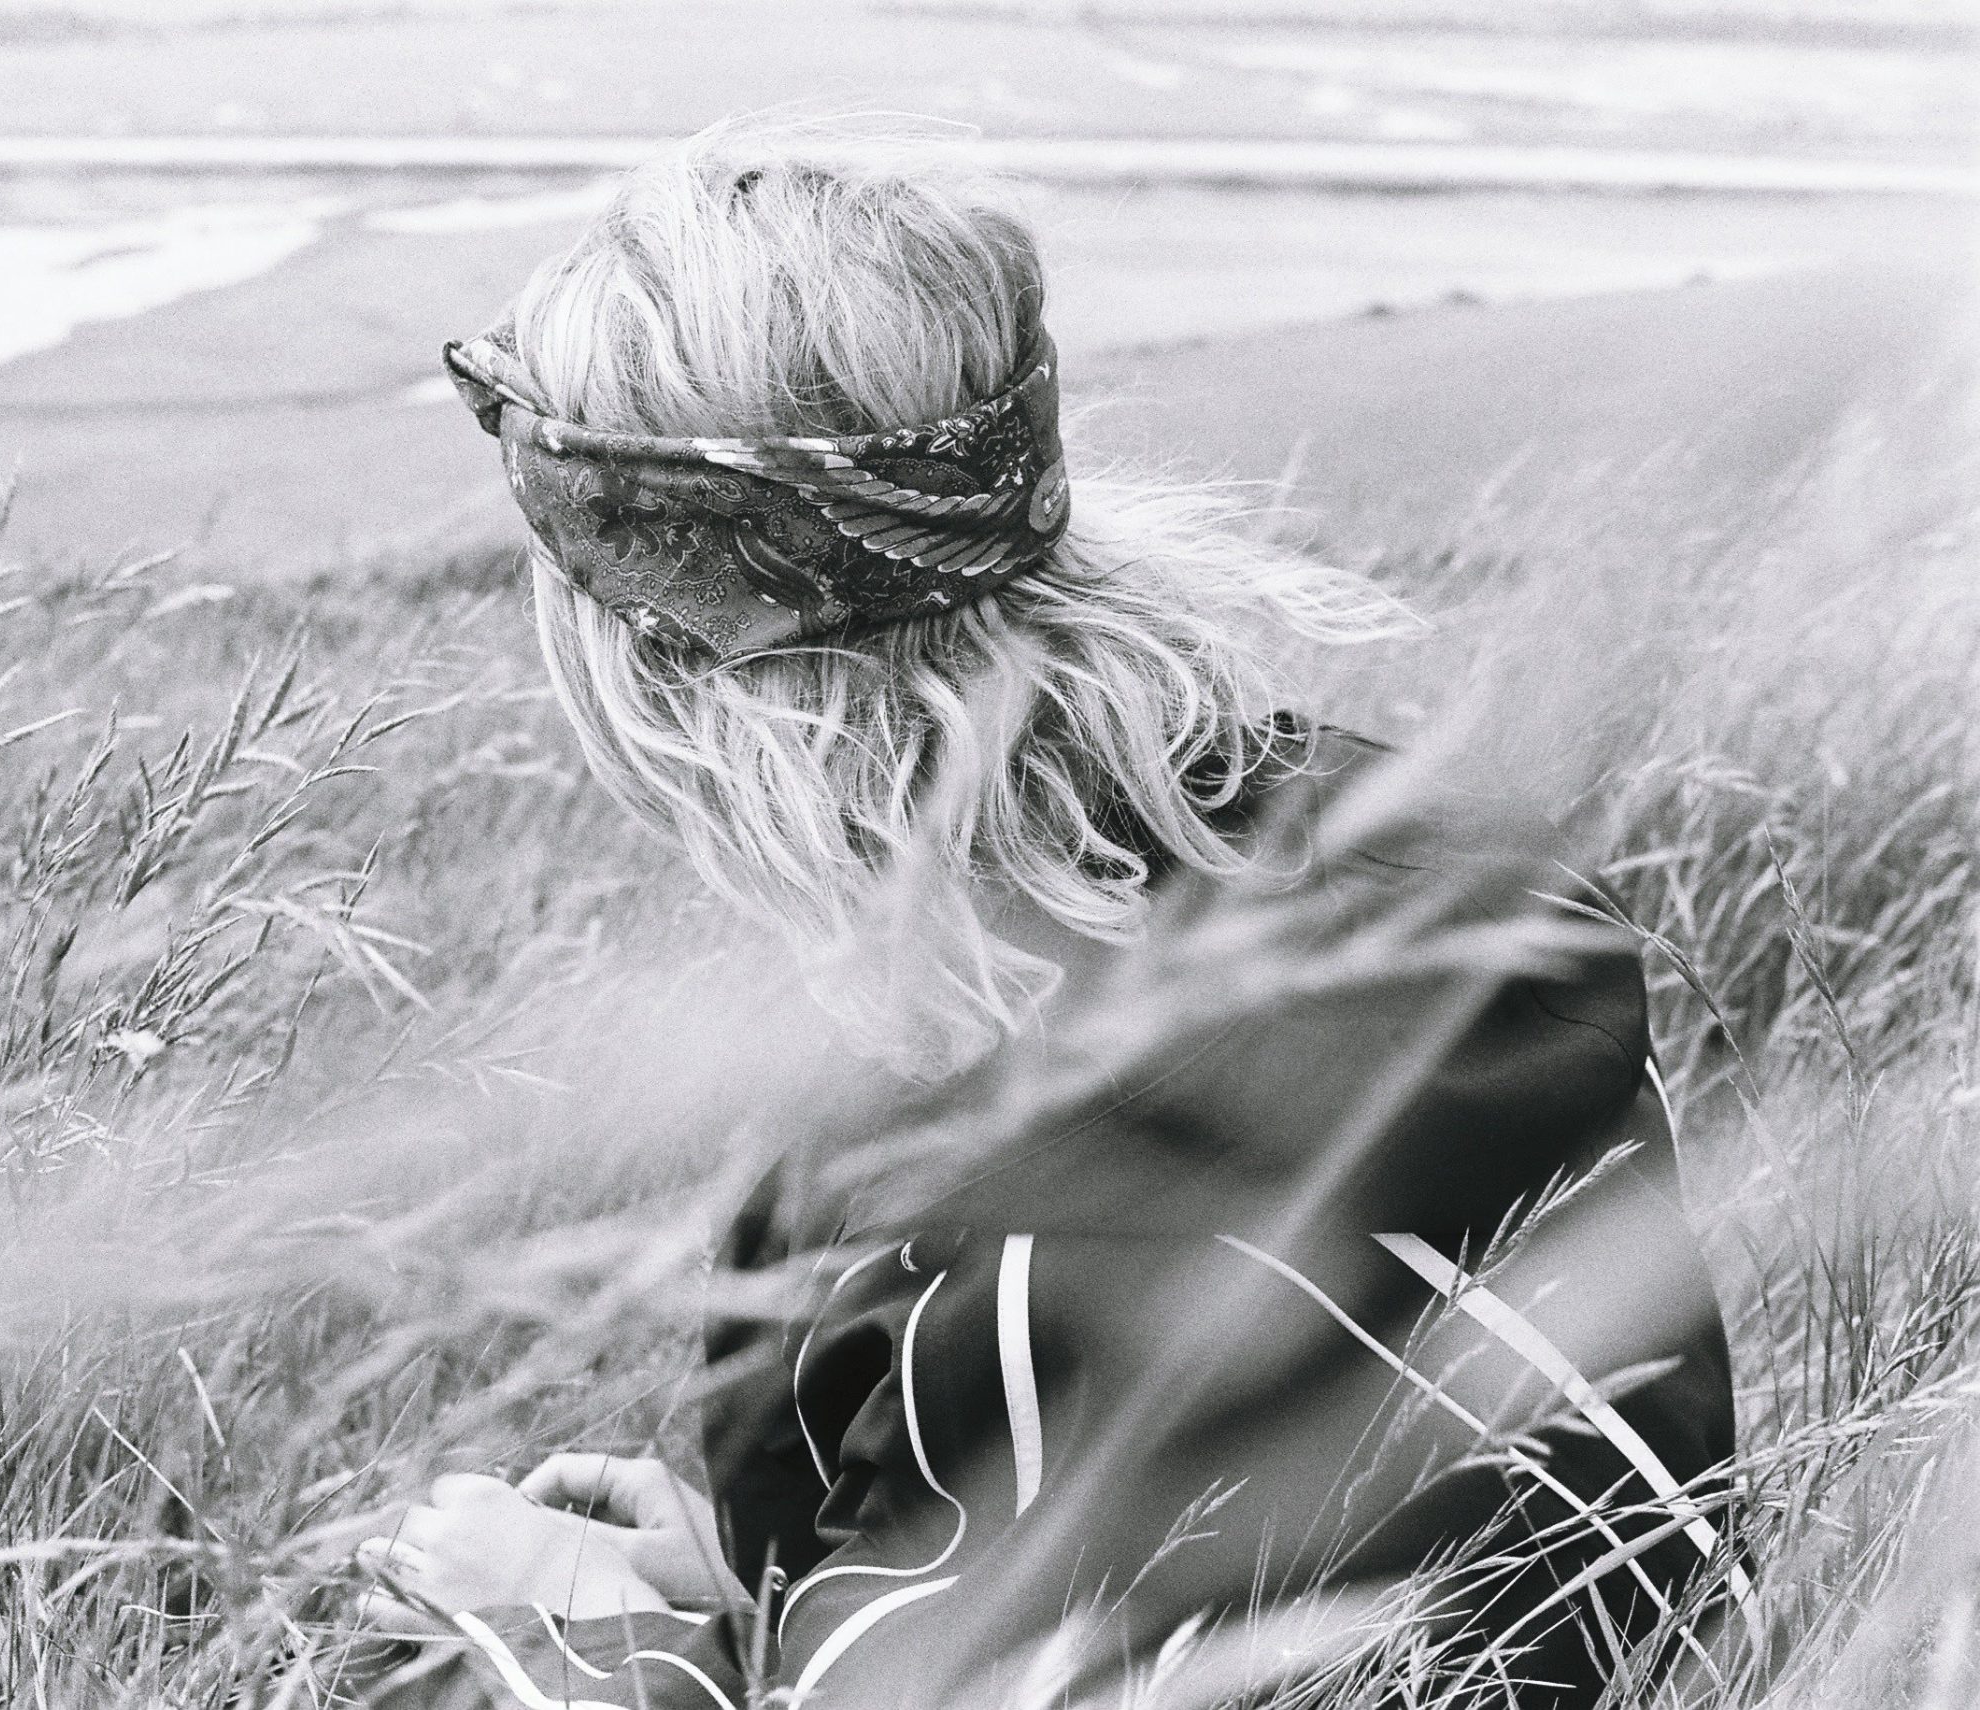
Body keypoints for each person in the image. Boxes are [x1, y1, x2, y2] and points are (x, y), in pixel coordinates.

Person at [352, 119, 1738, 1708]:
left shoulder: (1019, 1198)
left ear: (673, 659)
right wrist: (783, 1600)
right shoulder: (1426, 862)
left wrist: (578, 1646)